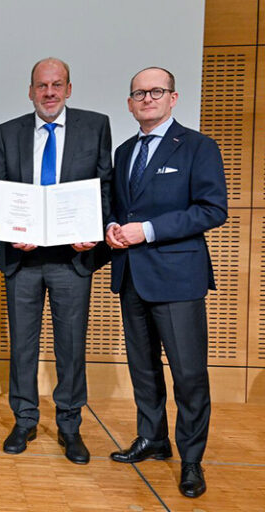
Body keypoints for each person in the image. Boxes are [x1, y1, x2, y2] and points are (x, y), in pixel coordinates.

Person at [106, 67, 227, 498]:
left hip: (178, 277)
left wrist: (148, 230)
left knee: (189, 374)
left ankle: (191, 459)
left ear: (173, 98)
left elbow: (212, 209)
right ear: (130, 102)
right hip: (132, 276)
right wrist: (112, 228)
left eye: (156, 91)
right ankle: (153, 438)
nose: (147, 98)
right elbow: (117, 208)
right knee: (144, 369)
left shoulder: (198, 147)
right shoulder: (123, 152)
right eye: (139, 92)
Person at [0, 57, 112, 464]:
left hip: (72, 260)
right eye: (41, 85)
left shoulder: (95, 126)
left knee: (70, 347)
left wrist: (94, 233)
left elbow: (105, 186)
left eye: (57, 84)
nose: (49, 92)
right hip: (22, 260)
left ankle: (70, 426)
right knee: (22, 345)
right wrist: (11, 231)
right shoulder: (8, 132)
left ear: (69, 89)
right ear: (30, 91)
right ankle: (24, 420)